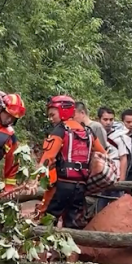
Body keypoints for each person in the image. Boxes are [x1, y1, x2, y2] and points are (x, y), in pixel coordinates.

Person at [36, 95, 108, 228]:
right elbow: (103, 154)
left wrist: (36, 179)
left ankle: (44, 248)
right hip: (80, 186)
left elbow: (47, 158)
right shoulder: (88, 131)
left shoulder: (60, 130)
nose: (51, 118)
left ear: (63, 110)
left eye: (52, 114)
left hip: (61, 185)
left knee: (47, 220)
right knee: (74, 223)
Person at [96, 106, 129, 212]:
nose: (108, 122)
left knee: (117, 207)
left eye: (111, 119)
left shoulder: (119, 136)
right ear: (99, 120)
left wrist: (122, 180)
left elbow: (123, 157)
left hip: (115, 175)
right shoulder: (93, 134)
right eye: (105, 119)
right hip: (99, 177)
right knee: (99, 207)